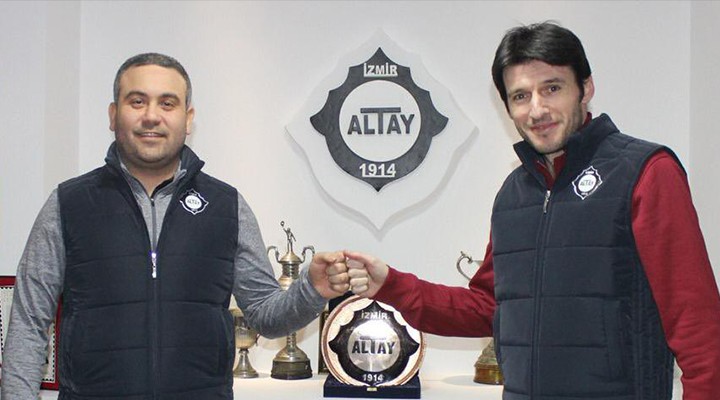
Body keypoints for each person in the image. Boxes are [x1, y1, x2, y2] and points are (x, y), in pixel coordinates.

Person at [345, 22, 720, 400]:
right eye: (520, 96)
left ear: (586, 88)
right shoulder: (514, 194)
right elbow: (486, 308)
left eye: (552, 88)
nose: (537, 109)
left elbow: (699, 331)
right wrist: (391, 285)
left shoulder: (646, 172)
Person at [0, 53, 350, 399]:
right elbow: (28, 324)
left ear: (188, 118)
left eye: (167, 103)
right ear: (113, 114)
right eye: (137, 101)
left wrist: (311, 289)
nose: (151, 116)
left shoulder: (226, 206)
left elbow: (265, 316)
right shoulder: (68, 204)